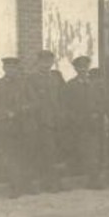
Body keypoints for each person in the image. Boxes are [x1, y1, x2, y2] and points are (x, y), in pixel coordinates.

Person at [0, 56, 37, 197]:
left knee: (26, 156)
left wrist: (23, 109)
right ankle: (15, 187)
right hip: (8, 127)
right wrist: (6, 113)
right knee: (11, 158)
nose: (11, 70)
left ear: (17, 69)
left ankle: (28, 185)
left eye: (14, 68)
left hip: (25, 125)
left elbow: (35, 102)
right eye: (8, 68)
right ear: (4, 69)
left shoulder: (25, 84)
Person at [63, 55, 106, 188]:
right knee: (74, 151)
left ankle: (94, 180)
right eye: (79, 67)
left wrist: (97, 113)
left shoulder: (93, 85)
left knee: (93, 152)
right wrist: (74, 118)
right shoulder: (70, 85)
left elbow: (100, 102)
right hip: (76, 124)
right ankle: (70, 182)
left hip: (92, 124)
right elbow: (66, 105)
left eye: (85, 67)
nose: (82, 70)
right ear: (75, 69)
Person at [27, 50, 64, 192]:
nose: (46, 64)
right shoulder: (31, 79)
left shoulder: (56, 77)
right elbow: (31, 99)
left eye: (49, 61)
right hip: (38, 121)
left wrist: (60, 114)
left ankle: (53, 182)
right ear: (38, 62)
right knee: (38, 152)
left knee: (53, 153)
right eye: (43, 61)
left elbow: (62, 96)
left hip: (54, 121)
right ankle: (38, 183)